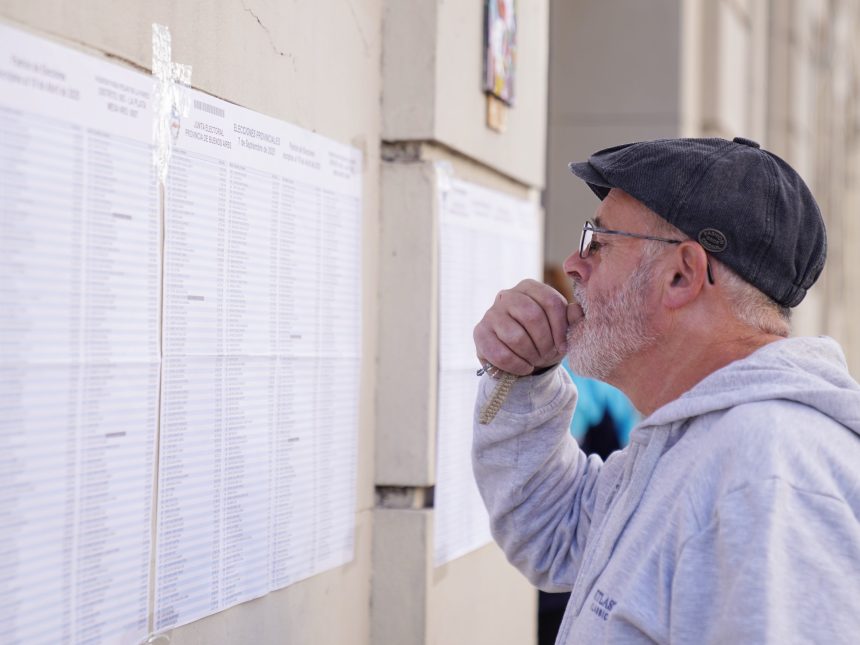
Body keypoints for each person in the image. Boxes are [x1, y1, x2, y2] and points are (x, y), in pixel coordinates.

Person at [472, 137, 860, 644]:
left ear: (681, 275)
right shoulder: (698, 438)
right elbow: (555, 535)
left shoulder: (764, 471)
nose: (572, 264)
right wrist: (523, 377)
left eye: (598, 242)